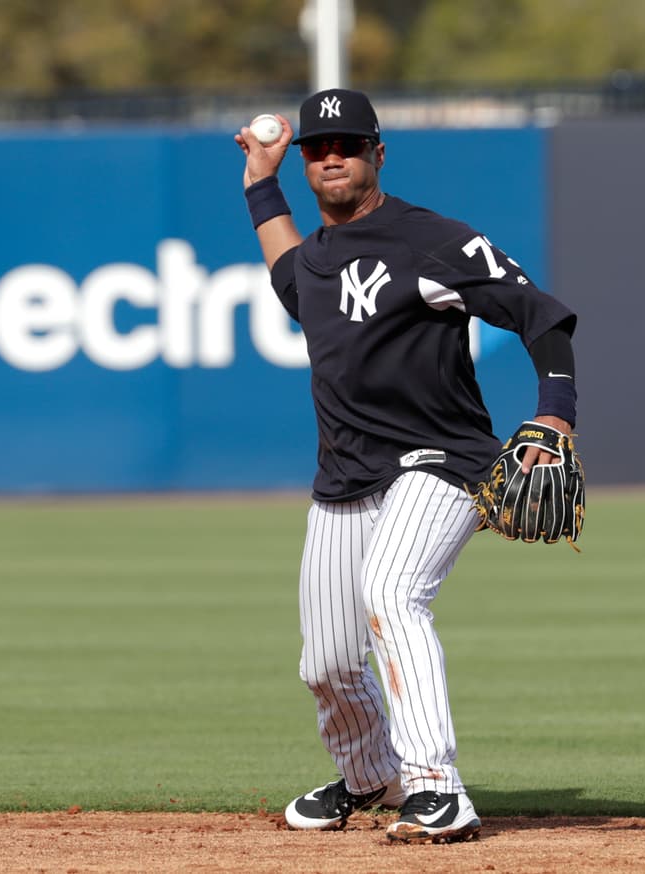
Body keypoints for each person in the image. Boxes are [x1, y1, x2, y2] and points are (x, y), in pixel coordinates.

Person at [234, 89, 578, 842]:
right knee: (325, 661)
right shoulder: (315, 260)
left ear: (378, 154)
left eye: (348, 145)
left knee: (392, 592)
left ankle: (436, 785)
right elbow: (292, 278)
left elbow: (539, 313)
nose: (332, 158)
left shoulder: (431, 241)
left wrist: (555, 411)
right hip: (344, 477)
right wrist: (261, 183)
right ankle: (370, 778)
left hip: (443, 461)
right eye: (319, 148)